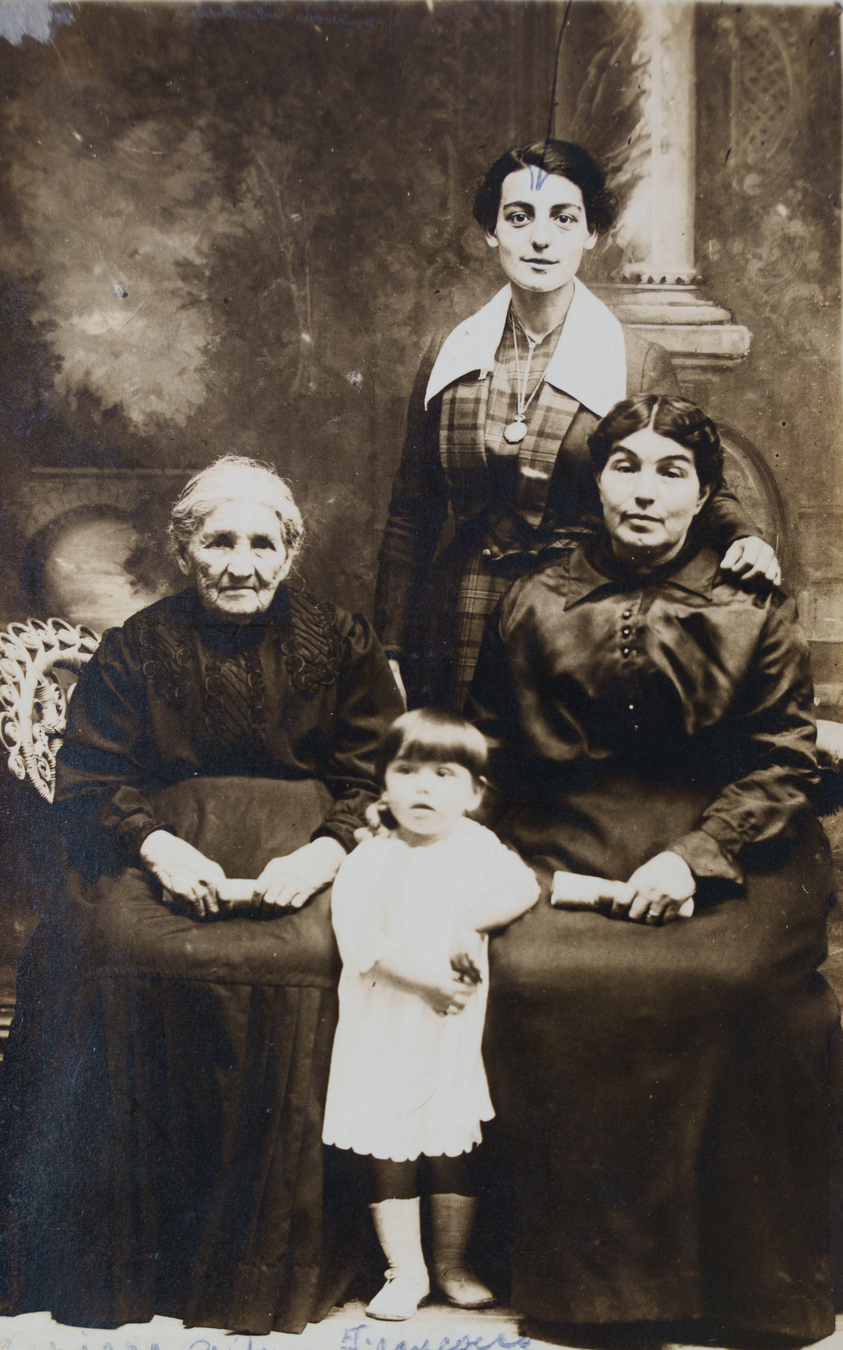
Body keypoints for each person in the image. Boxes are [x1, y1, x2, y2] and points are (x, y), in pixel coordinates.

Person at [0, 456, 404, 1335]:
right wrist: (153, 844)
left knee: (310, 959)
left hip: (307, 852)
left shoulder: (341, 641)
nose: (241, 563)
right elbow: (91, 777)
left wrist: (329, 850)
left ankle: (269, 1265)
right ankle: (131, 1267)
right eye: (220, 541)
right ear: (185, 550)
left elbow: (376, 772)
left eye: (263, 543)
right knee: (115, 952)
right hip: (164, 844)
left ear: (290, 553)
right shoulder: (138, 645)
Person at [468, 396, 840, 1342]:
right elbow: (491, 743)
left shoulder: (749, 601)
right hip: (567, 833)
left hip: (740, 840)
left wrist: (694, 856)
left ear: (706, 494)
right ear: (593, 483)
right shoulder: (529, 594)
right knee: (539, 970)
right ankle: (594, 1296)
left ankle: (751, 1291)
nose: (642, 490)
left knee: (728, 978)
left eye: (670, 471)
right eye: (623, 465)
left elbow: (782, 759)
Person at [375, 139, 781, 711]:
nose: (541, 238)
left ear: (591, 232)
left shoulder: (634, 360)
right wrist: (390, 645)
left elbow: (682, 479)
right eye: (519, 218)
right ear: (493, 230)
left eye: (564, 219)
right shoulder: (451, 350)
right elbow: (410, 512)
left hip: (579, 612)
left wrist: (745, 536)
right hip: (455, 618)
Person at [321, 709, 539, 1321]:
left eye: (444, 775)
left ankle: (450, 1263)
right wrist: (427, 985)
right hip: (388, 1028)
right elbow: (361, 945)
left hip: (449, 1038)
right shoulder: (370, 860)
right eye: (407, 771)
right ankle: (406, 1270)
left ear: (473, 795)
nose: (422, 788)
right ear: (383, 787)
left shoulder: (478, 847)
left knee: (451, 1143)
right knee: (392, 1146)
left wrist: (472, 921)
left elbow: (524, 888)